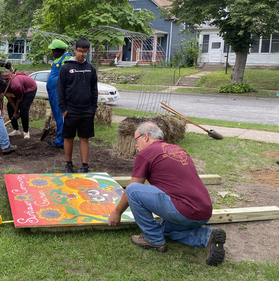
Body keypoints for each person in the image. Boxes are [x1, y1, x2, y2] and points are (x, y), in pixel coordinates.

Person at [108, 122, 226, 266]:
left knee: (133, 190)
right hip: (204, 211)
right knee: (167, 230)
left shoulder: (145, 154)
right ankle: (208, 236)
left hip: (183, 210)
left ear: (145, 137)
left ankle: (153, 240)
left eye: (136, 140)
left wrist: (117, 212)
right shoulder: (178, 149)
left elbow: (133, 188)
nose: (135, 145)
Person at [57, 38, 98, 173]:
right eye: (79, 51)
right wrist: (63, 109)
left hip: (87, 110)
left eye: (84, 52)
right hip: (70, 110)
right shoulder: (66, 67)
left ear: (88, 52)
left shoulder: (90, 68)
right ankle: (69, 164)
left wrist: (93, 108)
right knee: (68, 137)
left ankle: (84, 166)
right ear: (75, 50)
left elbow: (94, 90)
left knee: (84, 138)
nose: (81, 54)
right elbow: (60, 89)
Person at [45, 39, 71, 149]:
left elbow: (67, 75)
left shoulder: (66, 59)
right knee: (57, 115)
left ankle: (61, 141)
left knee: (61, 116)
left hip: (58, 91)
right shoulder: (59, 58)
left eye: (54, 51)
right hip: (53, 91)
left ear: (60, 51)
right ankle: (60, 138)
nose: (52, 53)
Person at [0, 74, 37, 139]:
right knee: (9, 106)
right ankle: (16, 130)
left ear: (4, 85)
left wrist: (16, 111)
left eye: (1, 89)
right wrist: (15, 112)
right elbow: (10, 99)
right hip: (19, 89)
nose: (1, 90)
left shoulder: (15, 86)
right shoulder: (2, 88)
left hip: (30, 87)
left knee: (23, 108)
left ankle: (26, 131)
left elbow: (19, 99)